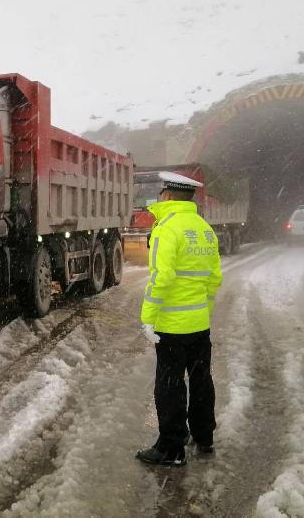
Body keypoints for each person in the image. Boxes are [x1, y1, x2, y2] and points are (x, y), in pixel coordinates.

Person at [135, 171, 223, 467]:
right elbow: (214, 278)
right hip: (199, 325)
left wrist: (148, 318)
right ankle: (204, 436)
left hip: (171, 327)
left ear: (168, 196)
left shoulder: (166, 228)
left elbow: (162, 276)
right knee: (201, 380)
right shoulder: (204, 229)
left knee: (169, 385)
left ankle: (171, 447)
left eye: (162, 193)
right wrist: (202, 310)